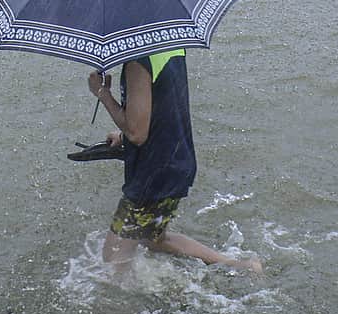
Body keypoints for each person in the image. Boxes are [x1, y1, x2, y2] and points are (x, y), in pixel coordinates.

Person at [88, 51, 261, 274]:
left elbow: (137, 132)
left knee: (114, 255)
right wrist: (122, 136)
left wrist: (102, 93)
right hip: (175, 161)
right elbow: (164, 104)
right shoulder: (170, 47)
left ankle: (127, 308)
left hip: (154, 174)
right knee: (153, 238)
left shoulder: (138, 61)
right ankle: (241, 267)